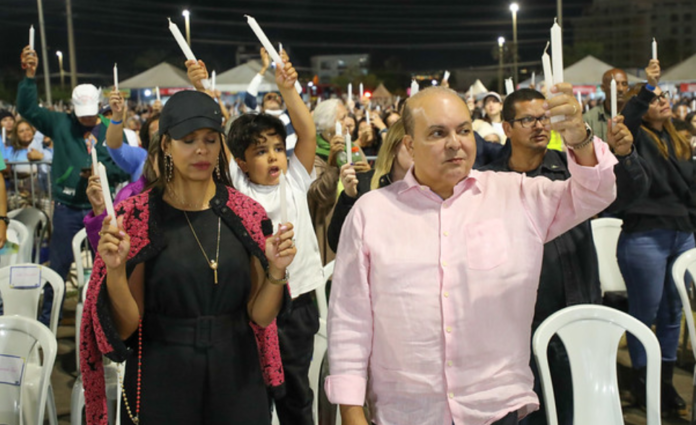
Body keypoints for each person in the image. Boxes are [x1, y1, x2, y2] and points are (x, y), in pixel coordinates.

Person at [325, 84, 618, 425]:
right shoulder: (371, 212)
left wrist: (579, 139)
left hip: (496, 406)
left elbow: (596, 193)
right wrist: (350, 409)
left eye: (463, 130)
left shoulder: (515, 195)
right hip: (405, 410)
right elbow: (350, 318)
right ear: (409, 145)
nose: (455, 143)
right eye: (437, 133)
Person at [80, 90, 296, 425]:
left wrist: (277, 272)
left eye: (211, 139)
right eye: (188, 139)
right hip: (162, 374)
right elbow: (126, 327)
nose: (201, 150)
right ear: (166, 145)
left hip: (237, 374)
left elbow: (261, 315)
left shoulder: (246, 214)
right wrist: (116, 270)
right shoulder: (136, 216)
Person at [482, 88, 647, 425]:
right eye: (528, 119)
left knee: (573, 406)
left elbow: (625, 193)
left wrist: (626, 154)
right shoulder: (488, 181)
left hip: (572, 308)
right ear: (507, 127)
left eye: (544, 118)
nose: (539, 126)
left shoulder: (575, 170)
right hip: (514, 322)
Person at [191, 55, 323, 425]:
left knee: (296, 392)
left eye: (278, 148)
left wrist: (287, 89)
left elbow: (308, 133)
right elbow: (217, 131)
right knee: (255, 390)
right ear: (241, 162)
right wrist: (203, 87)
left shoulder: (296, 178)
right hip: (254, 303)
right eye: (261, 151)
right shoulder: (237, 188)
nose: (274, 157)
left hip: (297, 304)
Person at [17, 45, 130, 326]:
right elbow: (27, 108)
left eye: (92, 113)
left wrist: (104, 174)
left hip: (102, 209)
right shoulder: (59, 123)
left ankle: (108, 324)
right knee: (57, 267)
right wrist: (29, 77)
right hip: (67, 209)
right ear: (73, 108)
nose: (88, 119)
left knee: (108, 268)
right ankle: (46, 325)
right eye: (83, 114)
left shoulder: (108, 127)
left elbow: (121, 164)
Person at [618, 59, 696, 417]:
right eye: (654, 98)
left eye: (663, 95)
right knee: (644, 313)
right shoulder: (635, 138)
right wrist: (647, 86)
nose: (662, 100)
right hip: (646, 235)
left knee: (672, 313)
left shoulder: (678, 140)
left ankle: (663, 384)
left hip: (682, 235)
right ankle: (641, 382)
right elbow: (628, 117)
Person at [327, 120, 412, 252]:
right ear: (394, 147)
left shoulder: (431, 188)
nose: (418, 150)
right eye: (410, 144)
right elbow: (337, 242)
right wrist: (349, 196)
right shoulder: (365, 183)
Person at [244, 48, 298, 153]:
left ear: (282, 104)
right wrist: (264, 68)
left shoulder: (288, 116)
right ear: (262, 106)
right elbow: (249, 96)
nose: (273, 98)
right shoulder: (259, 116)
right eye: (268, 97)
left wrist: (287, 68)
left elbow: (298, 96)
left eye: (276, 97)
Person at [584, 68, 630, 142]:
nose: (621, 89)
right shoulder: (589, 119)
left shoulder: (634, 116)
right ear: (603, 88)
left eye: (624, 84)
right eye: (616, 84)